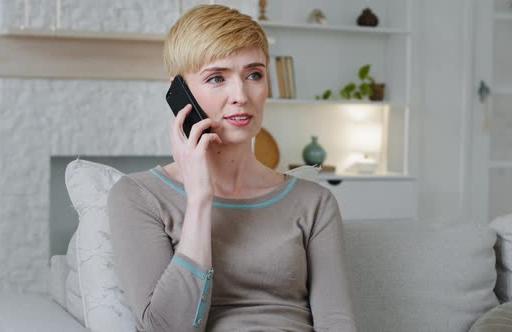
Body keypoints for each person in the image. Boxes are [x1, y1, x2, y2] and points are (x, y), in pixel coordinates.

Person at [107, 4, 356, 331]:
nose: (240, 95)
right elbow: (166, 328)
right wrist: (199, 200)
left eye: (254, 74)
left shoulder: (314, 203)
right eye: (216, 78)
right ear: (179, 93)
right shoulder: (138, 196)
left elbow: (337, 321)